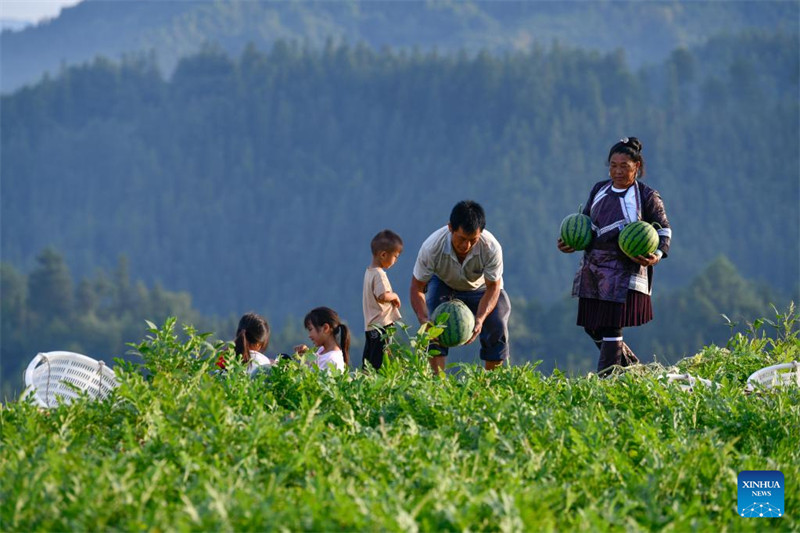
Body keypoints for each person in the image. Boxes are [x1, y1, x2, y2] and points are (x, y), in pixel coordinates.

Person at [557, 137, 672, 375]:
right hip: (594, 269)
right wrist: (572, 241)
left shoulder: (647, 196)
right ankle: (635, 369)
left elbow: (663, 229)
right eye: (613, 165)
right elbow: (587, 224)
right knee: (592, 325)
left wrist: (658, 254)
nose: (617, 171)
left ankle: (606, 379)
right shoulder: (599, 189)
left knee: (611, 327)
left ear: (637, 167)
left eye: (624, 166)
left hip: (625, 270)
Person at [410, 200, 511, 373]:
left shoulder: (491, 248)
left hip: (482, 288)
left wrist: (480, 318)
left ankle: (493, 383)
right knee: (434, 325)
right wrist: (424, 320)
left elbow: (493, 287)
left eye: (473, 240)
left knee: (497, 324)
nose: (466, 246)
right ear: (451, 228)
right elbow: (416, 287)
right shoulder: (432, 247)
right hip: (444, 283)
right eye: (462, 239)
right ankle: (438, 384)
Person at [362, 229, 403, 371]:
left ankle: (366, 380)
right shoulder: (379, 274)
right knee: (380, 361)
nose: (396, 261)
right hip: (381, 325)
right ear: (383, 255)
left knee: (370, 358)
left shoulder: (369, 272)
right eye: (395, 257)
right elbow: (382, 296)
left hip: (371, 325)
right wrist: (395, 296)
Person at [293, 307, 350, 372]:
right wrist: (306, 354)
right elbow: (313, 367)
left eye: (310, 329)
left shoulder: (332, 360)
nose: (309, 335)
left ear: (325, 328)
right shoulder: (322, 350)